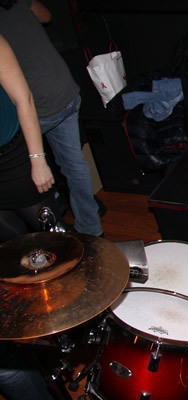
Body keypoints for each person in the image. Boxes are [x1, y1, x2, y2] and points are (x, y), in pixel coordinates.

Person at [0, 0, 104, 236]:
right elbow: (46, 16)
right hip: (65, 90)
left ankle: (55, 221)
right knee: (74, 164)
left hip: (39, 104)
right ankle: (91, 229)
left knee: (28, 174)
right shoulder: (18, 2)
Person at [0, 35, 56, 400]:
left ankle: (78, 314)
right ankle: (37, 322)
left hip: (15, 159)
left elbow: (24, 99)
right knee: (12, 254)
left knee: (55, 240)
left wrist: (38, 160)